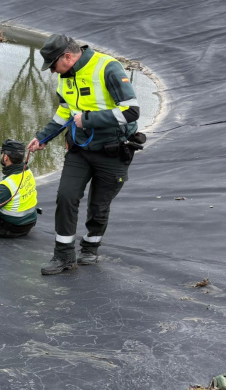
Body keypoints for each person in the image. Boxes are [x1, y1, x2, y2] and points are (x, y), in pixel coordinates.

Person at [27, 34, 142, 275]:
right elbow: (65, 112)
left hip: (113, 150)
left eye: (53, 66)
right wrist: (43, 137)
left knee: (99, 205)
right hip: (80, 150)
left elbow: (131, 111)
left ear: (67, 57)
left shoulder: (107, 67)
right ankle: (63, 256)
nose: (52, 72)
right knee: (66, 197)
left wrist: (89, 119)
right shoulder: (66, 78)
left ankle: (90, 247)